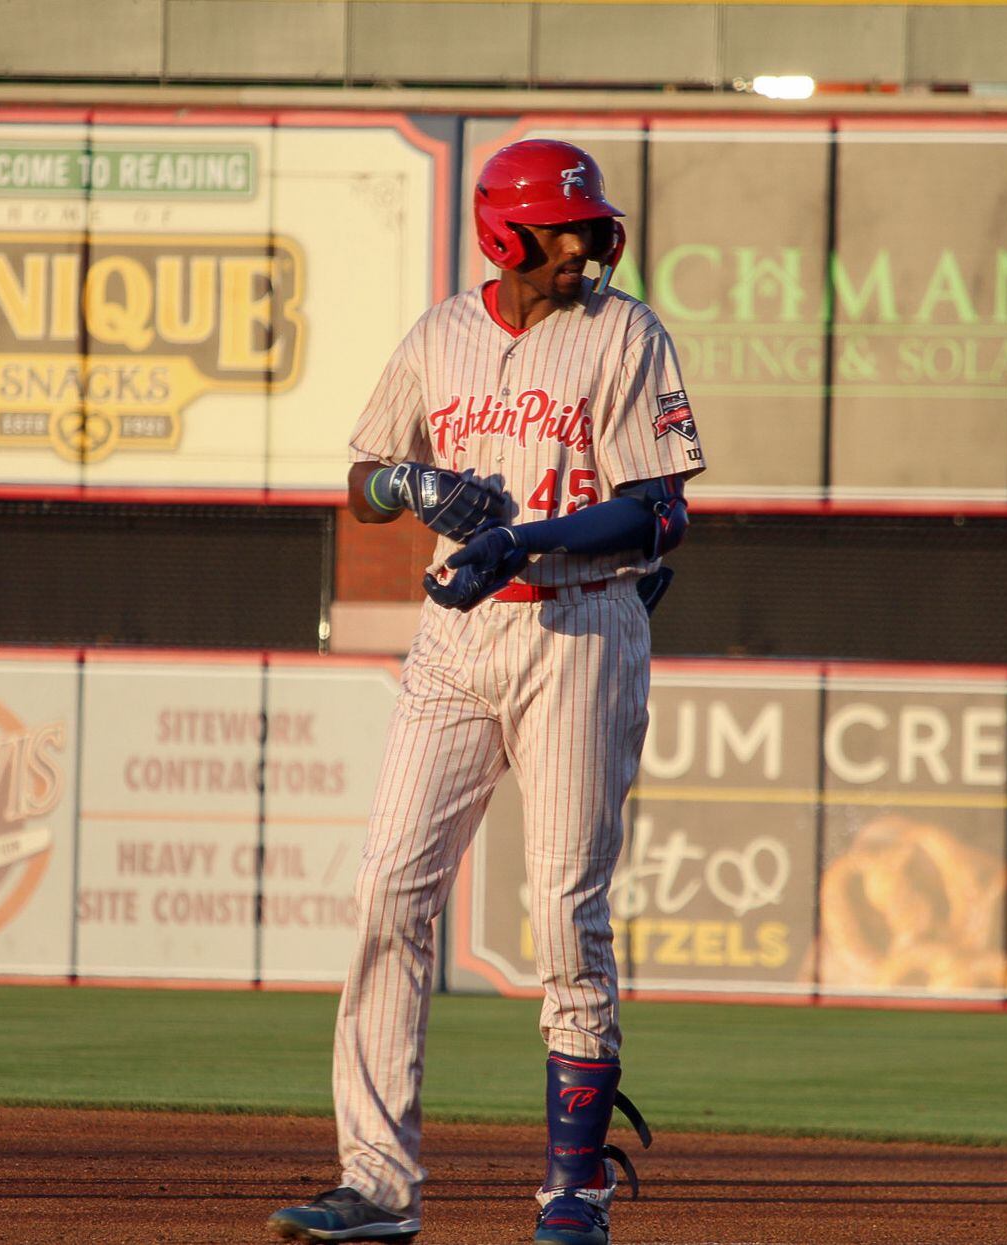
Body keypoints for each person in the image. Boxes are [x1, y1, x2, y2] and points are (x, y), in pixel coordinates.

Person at [268, 138, 705, 1245]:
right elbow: (364, 483)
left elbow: (658, 514)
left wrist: (523, 532)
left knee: (564, 912)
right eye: (562, 228)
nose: (584, 243)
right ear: (504, 234)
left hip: (583, 625)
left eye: (589, 225)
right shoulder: (441, 335)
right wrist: (410, 480)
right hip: (455, 639)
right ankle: (375, 1184)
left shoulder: (624, 334)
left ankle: (574, 1189)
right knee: (385, 895)